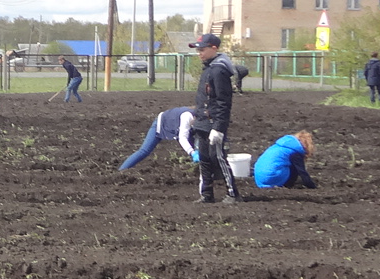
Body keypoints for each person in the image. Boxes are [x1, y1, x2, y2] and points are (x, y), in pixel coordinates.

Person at [186, 33, 243, 204]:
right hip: (202, 122)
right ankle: (206, 194)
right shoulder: (208, 68)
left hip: (213, 124)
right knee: (204, 159)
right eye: (198, 50)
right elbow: (205, 98)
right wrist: (196, 117)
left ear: (214, 48)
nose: (199, 53)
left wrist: (218, 128)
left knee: (218, 158)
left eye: (202, 50)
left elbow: (223, 102)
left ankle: (232, 193)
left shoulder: (218, 71)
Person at [117, 106, 197, 171]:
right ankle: (121, 171)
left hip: (177, 126)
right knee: (144, 151)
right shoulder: (187, 116)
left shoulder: (200, 120)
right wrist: (192, 153)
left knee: (195, 148)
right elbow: (182, 138)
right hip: (161, 123)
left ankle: (197, 169)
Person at [253, 131, 318, 189]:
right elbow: (302, 172)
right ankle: (288, 184)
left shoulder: (278, 146)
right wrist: (311, 186)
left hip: (260, 180)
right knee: (295, 166)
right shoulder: (294, 152)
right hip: (272, 177)